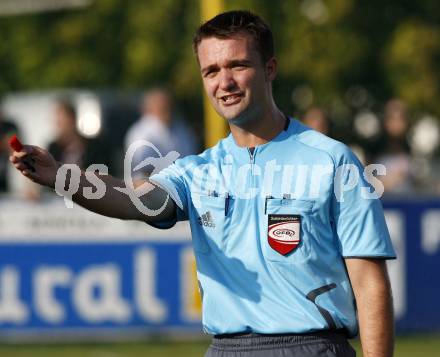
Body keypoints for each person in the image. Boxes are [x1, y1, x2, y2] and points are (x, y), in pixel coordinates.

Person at [10, 10, 395, 357]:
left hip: (311, 347)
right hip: (225, 350)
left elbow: (369, 284)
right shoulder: (198, 170)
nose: (224, 81)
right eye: (211, 71)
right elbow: (133, 200)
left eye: (238, 65)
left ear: (270, 68)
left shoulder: (331, 160)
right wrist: (63, 177)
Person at [124, 87, 197, 184]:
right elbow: (143, 168)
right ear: (150, 108)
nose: (168, 110)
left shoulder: (181, 128)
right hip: (149, 188)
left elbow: (191, 159)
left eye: (169, 106)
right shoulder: (141, 132)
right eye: (162, 107)